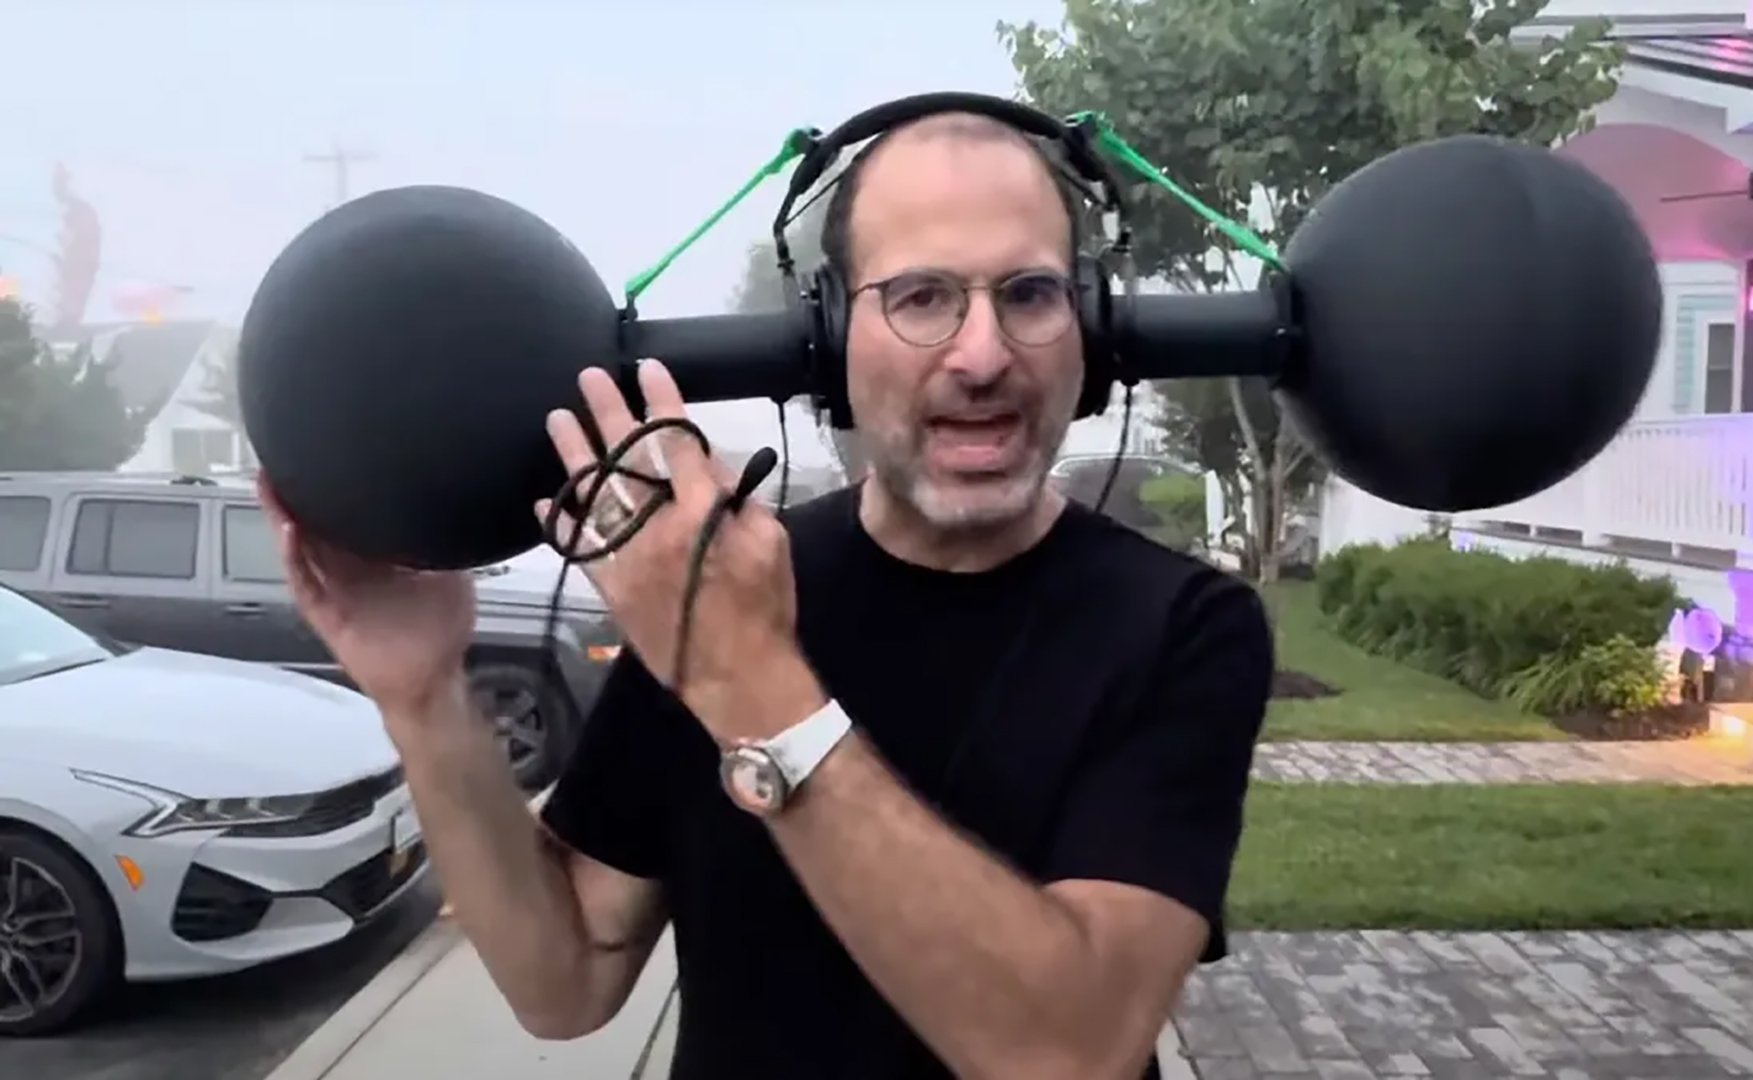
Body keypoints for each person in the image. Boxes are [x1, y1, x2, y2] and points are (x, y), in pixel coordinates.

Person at [264, 110, 1274, 1079]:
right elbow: (564, 982)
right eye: (921, 296)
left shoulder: (1185, 628)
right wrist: (423, 698)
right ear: (830, 337)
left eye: (1029, 293)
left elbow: (1067, 1054)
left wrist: (746, 677)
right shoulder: (715, 583)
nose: (983, 354)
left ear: (1088, 329)